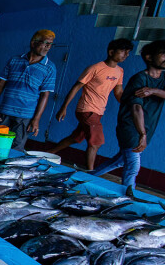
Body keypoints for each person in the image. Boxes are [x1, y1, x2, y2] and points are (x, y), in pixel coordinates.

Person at [48, 39, 134, 170]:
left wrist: (129, 105)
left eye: (128, 53)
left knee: (76, 137)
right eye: (123, 51)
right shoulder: (95, 68)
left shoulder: (119, 71)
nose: (126, 55)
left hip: (99, 111)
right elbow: (76, 87)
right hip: (87, 110)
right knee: (96, 143)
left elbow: (118, 92)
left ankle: (49, 153)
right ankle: (90, 172)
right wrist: (63, 107)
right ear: (111, 52)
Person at [92, 40, 165, 189]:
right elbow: (136, 109)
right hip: (132, 127)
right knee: (133, 167)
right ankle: (128, 199)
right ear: (149, 57)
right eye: (163, 54)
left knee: (119, 161)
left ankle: (86, 176)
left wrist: (153, 91)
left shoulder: (163, 79)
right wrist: (142, 135)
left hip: (145, 128)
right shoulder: (139, 79)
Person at [0, 29, 57, 151]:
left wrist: (36, 119)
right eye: (45, 43)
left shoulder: (50, 68)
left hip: (25, 117)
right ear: (33, 43)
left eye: (50, 44)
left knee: (15, 149)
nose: (48, 47)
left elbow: (45, 96)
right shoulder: (14, 60)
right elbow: (1, 84)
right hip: (3, 113)